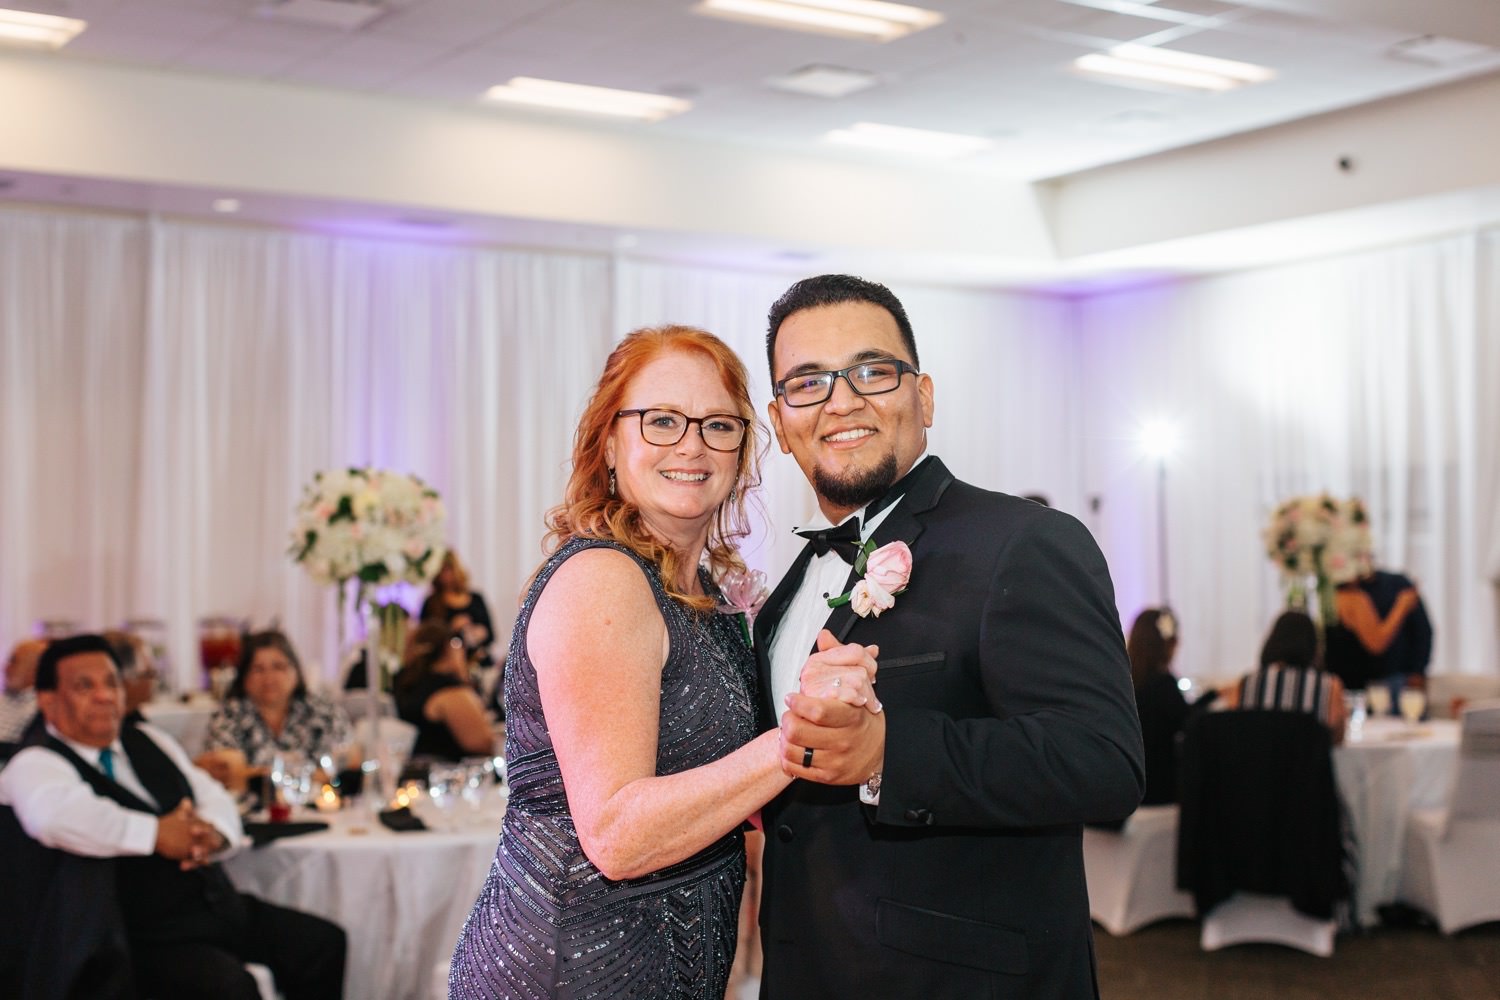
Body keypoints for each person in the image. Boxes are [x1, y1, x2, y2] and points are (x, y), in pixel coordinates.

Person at [449, 325, 872, 999]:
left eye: (717, 425)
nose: (692, 446)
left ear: (741, 449)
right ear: (610, 442)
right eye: (662, 421)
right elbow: (616, 834)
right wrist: (798, 739)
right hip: (576, 969)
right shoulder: (604, 581)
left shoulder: (697, 590)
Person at [757, 274, 1144, 999]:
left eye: (871, 372)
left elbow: (1104, 761)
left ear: (924, 397)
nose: (841, 400)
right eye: (808, 383)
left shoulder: (1024, 543)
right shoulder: (786, 593)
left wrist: (886, 754)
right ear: (781, 423)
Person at [0, 634, 346, 999]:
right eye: (84, 686)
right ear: (48, 700)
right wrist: (156, 834)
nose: (105, 696)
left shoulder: (148, 738)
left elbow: (212, 795)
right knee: (229, 988)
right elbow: (55, 818)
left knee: (321, 944)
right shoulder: (34, 762)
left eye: (112, 683)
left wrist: (212, 833)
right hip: (141, 935)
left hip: (215, 906)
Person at [202, 630, 352, 770]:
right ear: (244, 677)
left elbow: (344, 763)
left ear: (296, 671)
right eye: (258, 669)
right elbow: (225, 771)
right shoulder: (229, 715)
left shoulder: (323, 712)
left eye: (278, 667)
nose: (269, 678)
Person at [1223, 610, 1347, 744]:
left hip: (1256, 762)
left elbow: (1235, 731)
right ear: (1313, 646)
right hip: (1305, 763)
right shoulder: (1328, 686)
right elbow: (1337, 738)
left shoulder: (1247, 684)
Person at [393, 620, 494, 763]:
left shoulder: (407, 685)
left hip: (413, 774)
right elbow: (482, 743)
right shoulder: (450, 692)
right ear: (449, 649)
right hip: (451, 775)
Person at [1127, 607, 1191, 807]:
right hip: (1160, 797)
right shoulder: (1164, 685)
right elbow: (1188, 723)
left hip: (1129, 791)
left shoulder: (1124, 684)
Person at [421, 549, 496, 670]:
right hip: (445, 664)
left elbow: (491, 635)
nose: (446, 575)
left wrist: (480, 632)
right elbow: (425, 638)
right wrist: (451, 628)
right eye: (442, 570)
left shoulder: (476, 599)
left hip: (478, 660)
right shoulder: (431, 603)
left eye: (449, 569)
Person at [1, 638, 46, 747]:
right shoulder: (5, 697)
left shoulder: (42, 708)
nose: (5, 668)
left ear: (35, 670)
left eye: (13, 661)